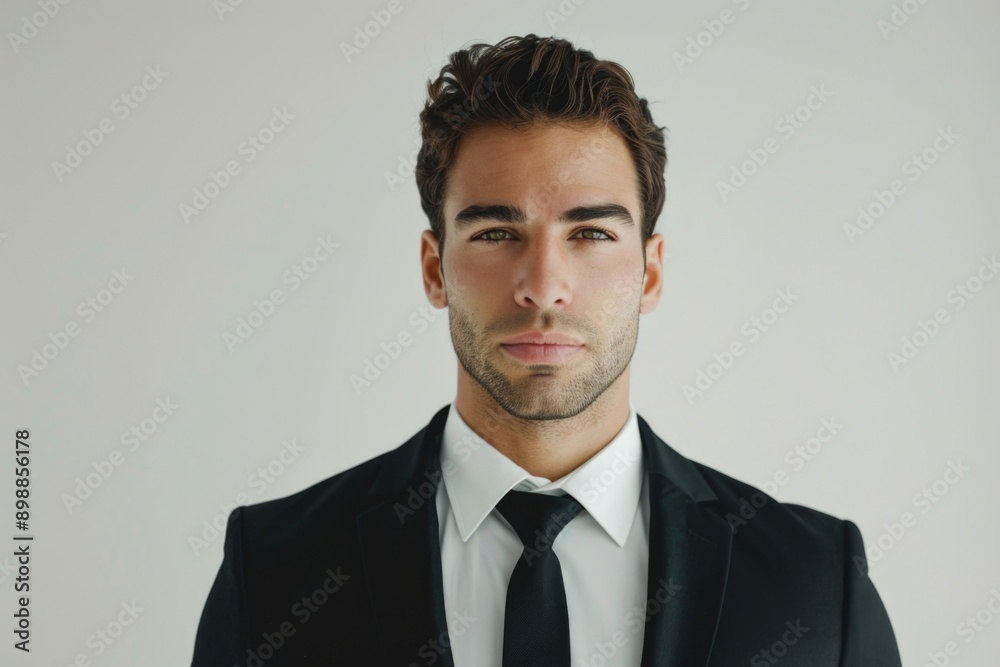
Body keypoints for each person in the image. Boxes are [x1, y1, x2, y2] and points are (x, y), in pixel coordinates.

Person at [191, 33, 902, 666]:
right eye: (497, 233)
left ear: (649, 271)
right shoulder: (278, 568)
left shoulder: (816, 583)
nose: (542, 286)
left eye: (590, 234)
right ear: (435, 269)